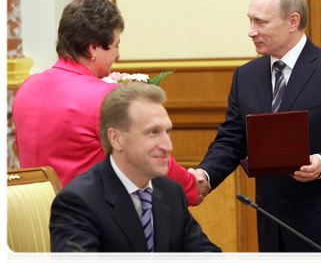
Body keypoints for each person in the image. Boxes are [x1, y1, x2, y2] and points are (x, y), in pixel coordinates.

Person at [194, 0, 321, 263]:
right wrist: (205, 175)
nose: (251, 31)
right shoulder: (244, 76)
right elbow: (232, 140)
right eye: (250, 20)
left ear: (293, 21)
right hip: (272, 230)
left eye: (261, 22)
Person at [12, 0, 209, 205]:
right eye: (115, 45)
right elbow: (147, 154)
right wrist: (190, 186)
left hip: (32, 223)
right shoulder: (103, 96)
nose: (118, 55)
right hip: (87, 223)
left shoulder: (27, 88)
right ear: (93, 48)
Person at [50, 82, 228, 263]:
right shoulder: (78, 201)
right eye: (153, 132)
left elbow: (206, 255)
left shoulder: (170, 191)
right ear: (116, 139)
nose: (168, 146)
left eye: (167, 132)